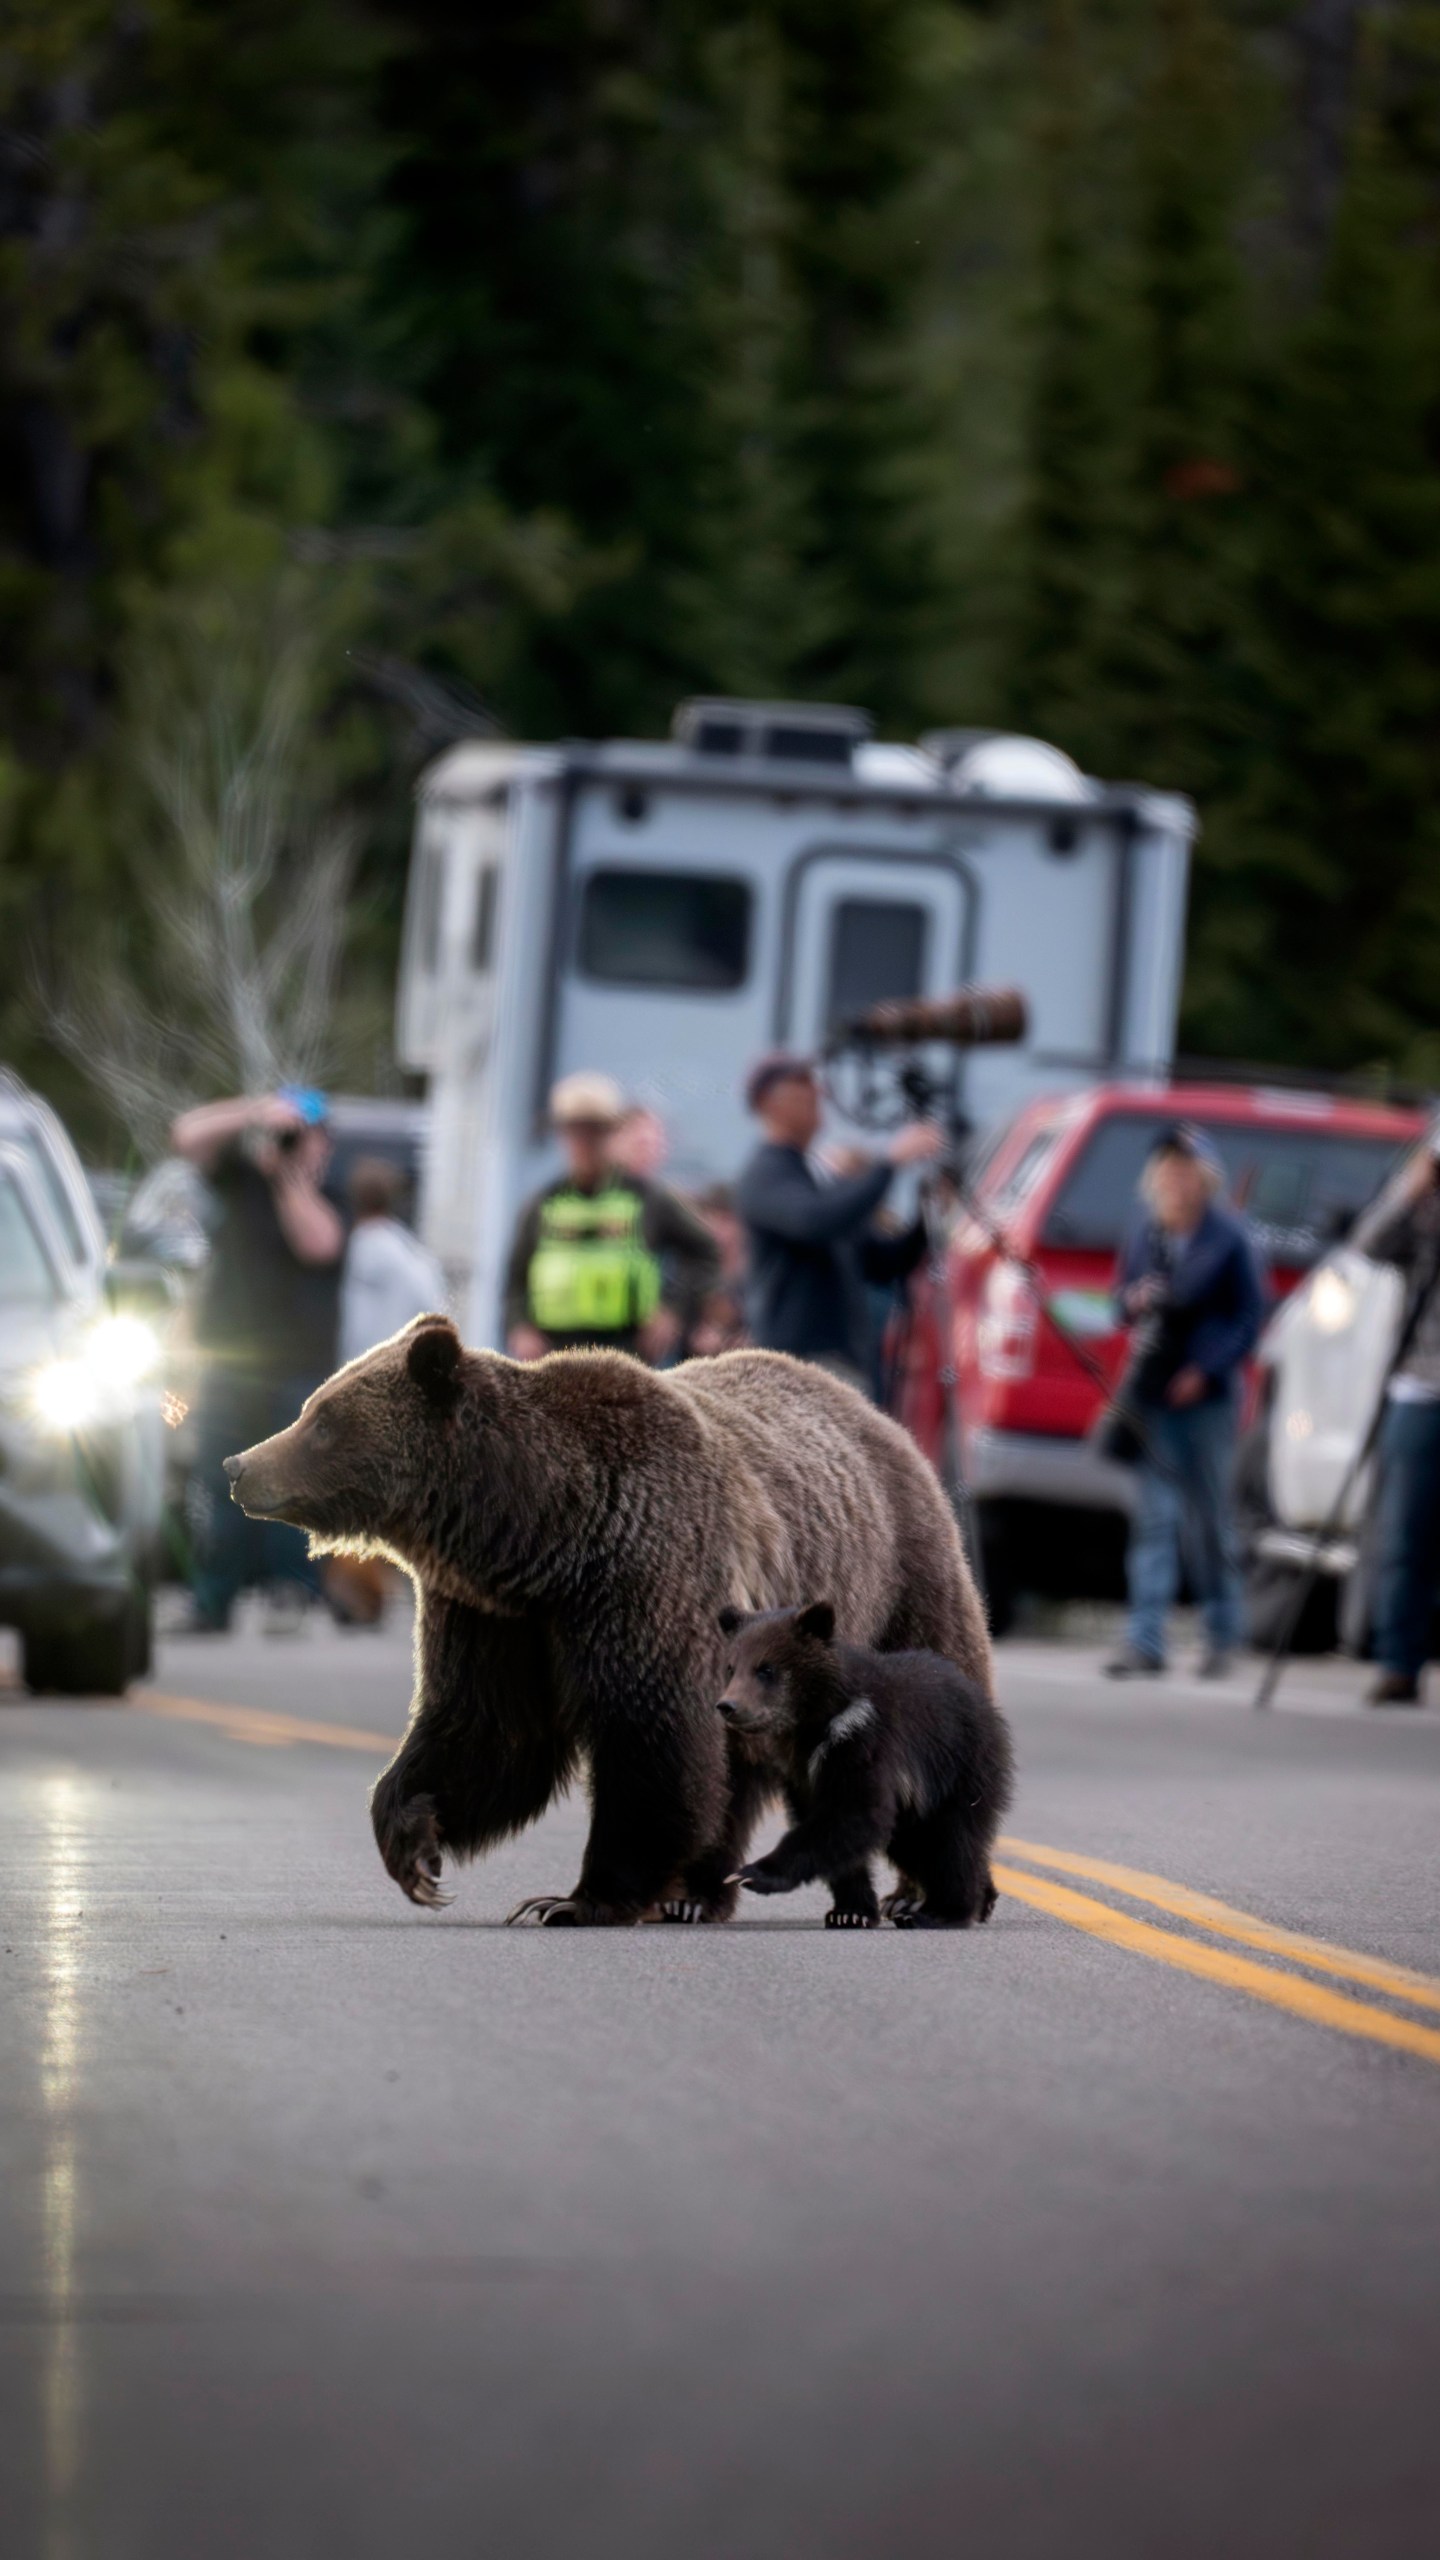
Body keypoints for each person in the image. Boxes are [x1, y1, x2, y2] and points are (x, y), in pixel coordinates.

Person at [171, 1086, 344, 1631]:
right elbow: (186, 1134)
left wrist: (290, 1181)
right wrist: (254, 1112)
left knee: (292, 1485)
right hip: (232, 1361)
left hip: (298, 1368)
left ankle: (290, 1593)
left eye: (306, 1136)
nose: (295, 1144)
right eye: (291, 1134)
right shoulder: (241, 1181)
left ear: (324, 1145)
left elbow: (318, 1245)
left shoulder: (330, 1197)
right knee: (220, 1481)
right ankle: (213, 1598)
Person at [1105, 1123, 1266, 1680]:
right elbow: (1117, 1303)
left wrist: (1207, 1368)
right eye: (1168, 1168)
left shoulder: (1229, 1237)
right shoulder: (1147, 1234)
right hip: (1151, 1391)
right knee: (1153, 1518)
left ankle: (1223, 1632)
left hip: (1205, 1398)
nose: (1176, 1179)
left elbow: (1250, 1316)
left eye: (1186, 1168)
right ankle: (1145, 1639)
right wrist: (1134, 1298)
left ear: (1205, 1177)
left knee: (1209, 1520)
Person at [735, 1053, 942, 1393]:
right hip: (796, 1366)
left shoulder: (811, 1179)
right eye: (800, 1084)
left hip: (838, 1363)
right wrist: (889, 1164)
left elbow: (882, 1261)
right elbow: (813, 1221)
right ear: (767, 1102)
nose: (815, 1092)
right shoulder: (765, 1174)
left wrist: (927, 1214)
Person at [504, 1072, 720, 1362]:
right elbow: (515, 1279)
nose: (584, 1143)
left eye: (595, 1131)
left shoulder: (647, 1198)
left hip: (626, 1354)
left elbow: (706, 1252)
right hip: (552, 1357)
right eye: (575, 1132)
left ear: (613, 1133)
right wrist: (519, 1327)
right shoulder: (543, 1203)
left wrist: (672, 1310)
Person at [1350, 1129, 1440, 1705]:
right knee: (1406, 1530)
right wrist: (1414, 1186)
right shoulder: (1427, 1209)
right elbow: (1371, 1244)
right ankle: (1398, 1662)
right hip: (1423, 1383)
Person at [339, 1159, 447, 1368]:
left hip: (363, 1364)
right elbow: (432, 1299)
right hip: (395, 1362)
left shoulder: (362, 1244)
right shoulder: (406, 1246)